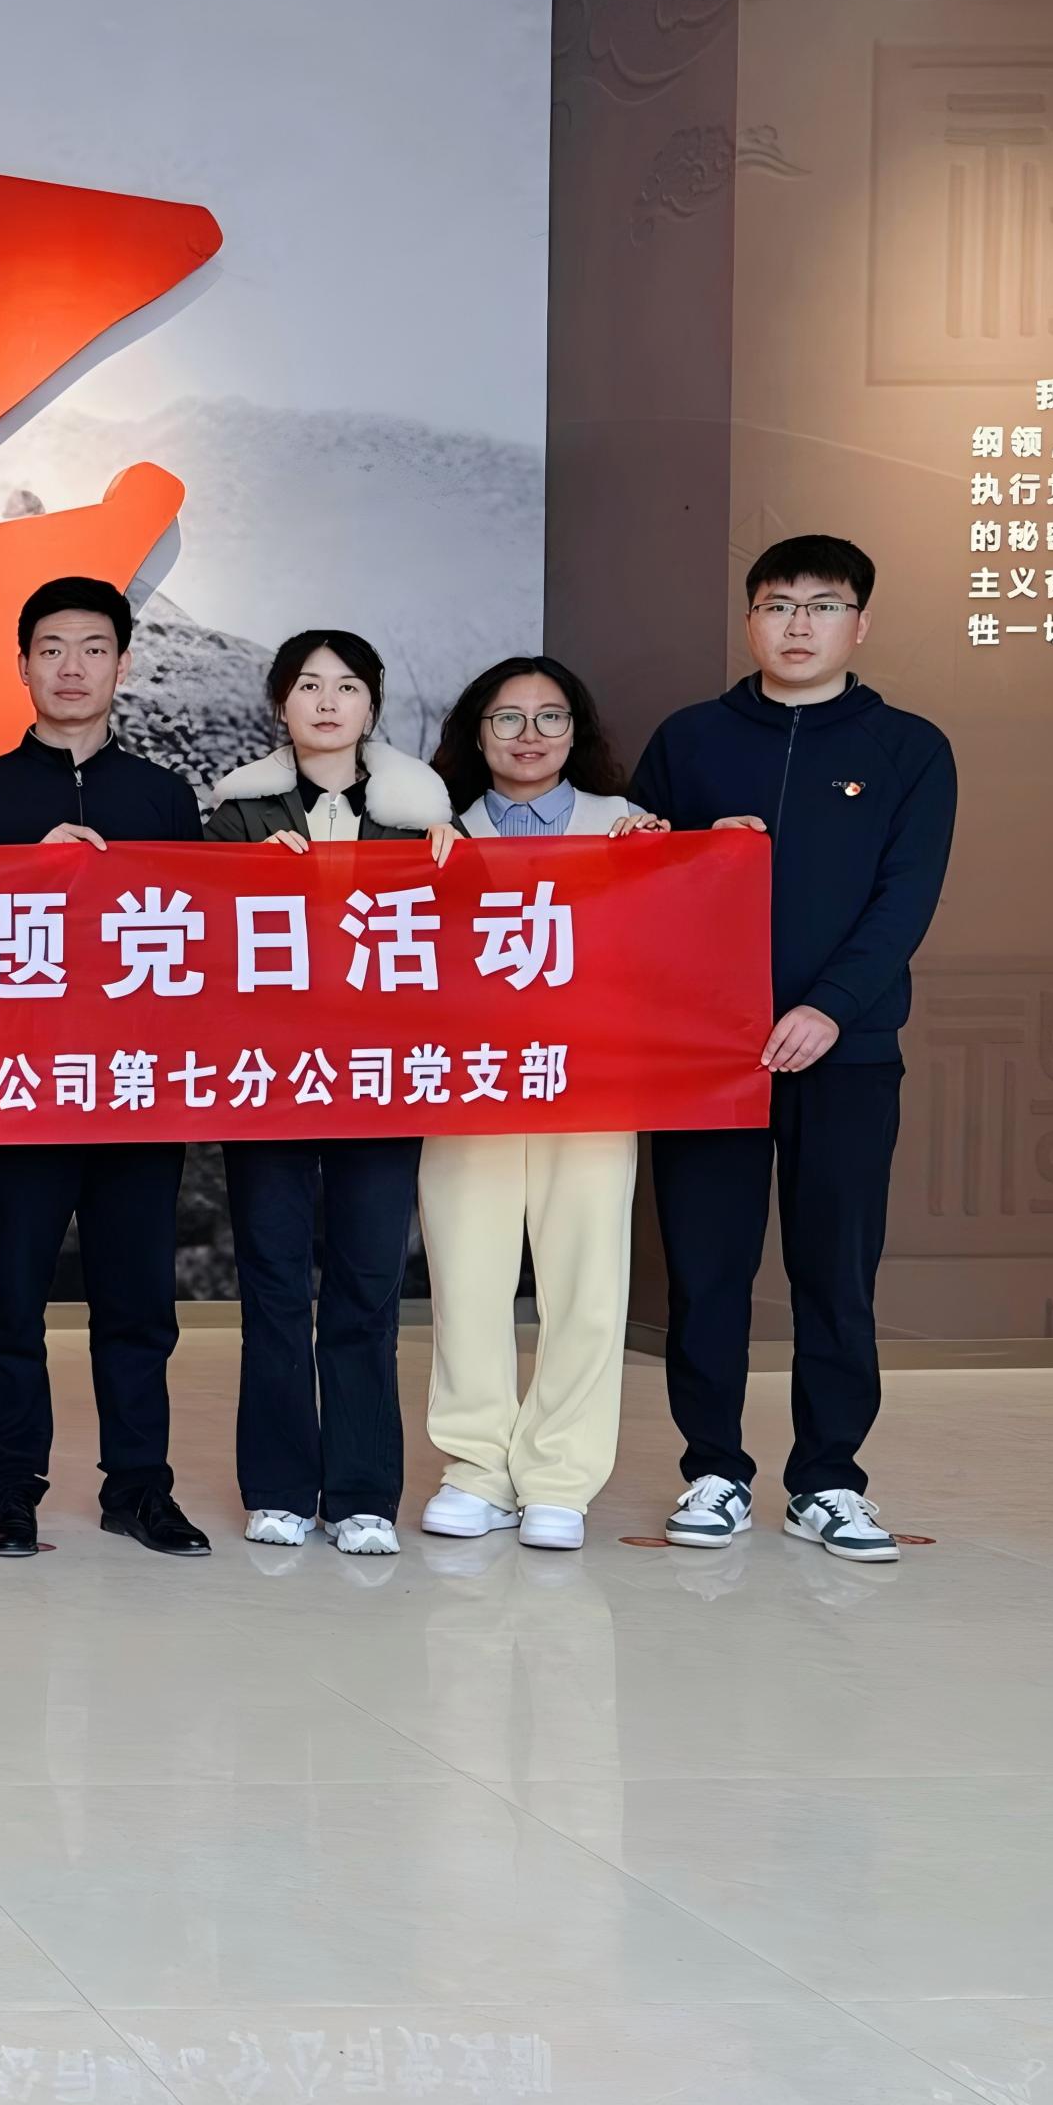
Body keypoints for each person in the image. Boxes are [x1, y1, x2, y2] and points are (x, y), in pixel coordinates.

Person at [629, 535, 954, 1564]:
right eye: (777, 605)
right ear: (749, 620)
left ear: (861, 623)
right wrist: (667, 850)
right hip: (707, 1057)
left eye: (823, 605)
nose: (798, 625)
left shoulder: (910, 748)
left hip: (843, 1054)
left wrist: (830, 1009)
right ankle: (714, 1470)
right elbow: (634, 888)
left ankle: (829, 1479)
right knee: (706, 1272)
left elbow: (905, 899)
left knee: (835, 1271)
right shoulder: (690, 739)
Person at [0, 575, 211, 1561]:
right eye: (51, 649)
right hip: (18, 1090)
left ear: (123, 664)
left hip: (135, 1088)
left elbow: (201, 943)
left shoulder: (163, 797)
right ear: (22, 665)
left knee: (139, 1304)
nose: (72, 667)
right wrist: (27, 872)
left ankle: (139, 1486)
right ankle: (10, 1489)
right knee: (10, 1297)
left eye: (93, 648)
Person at [199, 629, 452, 1560]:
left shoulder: (422, 817)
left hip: (380, 1077)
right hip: (268, 1077)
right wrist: (243, 882)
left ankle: (361, 1492)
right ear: (281, 703)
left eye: (348, 687)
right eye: (308, 685)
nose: (328, 702)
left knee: (367, 1284)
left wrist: (456, 864)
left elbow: (463, 941)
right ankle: (276, 1486)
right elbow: (196, 939)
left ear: (372, 705)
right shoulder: (235, 814)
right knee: (272, 1283)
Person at [416, 655, 666, 1553]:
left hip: (590, 1081)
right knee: (468, 1281)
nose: (529, 735)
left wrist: (671, 857)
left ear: (576, 730)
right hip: (470, 1080)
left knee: (587, 1284)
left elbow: (672, 945)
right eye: (508, 718)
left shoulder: (628, 827)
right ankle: (476, 1468)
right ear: (476, 733)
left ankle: (561, 1476)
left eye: (550, 716)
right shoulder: (437, 832)